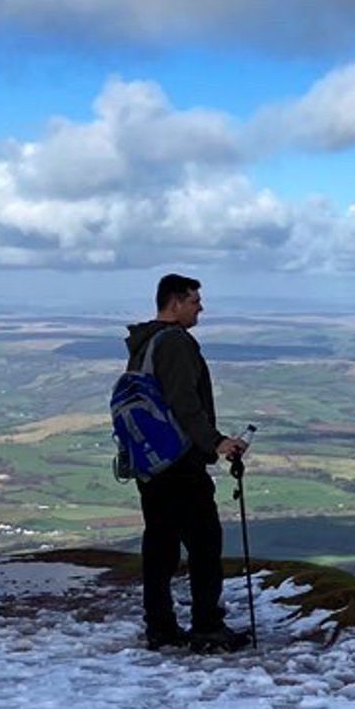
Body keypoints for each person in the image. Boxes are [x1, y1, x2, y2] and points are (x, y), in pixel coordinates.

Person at [124, 273, 252, 652]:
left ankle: (160, 627)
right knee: (204, 542)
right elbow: (185, 404)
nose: (201, 307)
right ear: (175, 302)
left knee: (160, 544)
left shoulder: (143, 342)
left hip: (149, 462)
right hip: (178, 461)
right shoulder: (176, 343)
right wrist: (217, 443)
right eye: (195, 301)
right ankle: (207, 627)